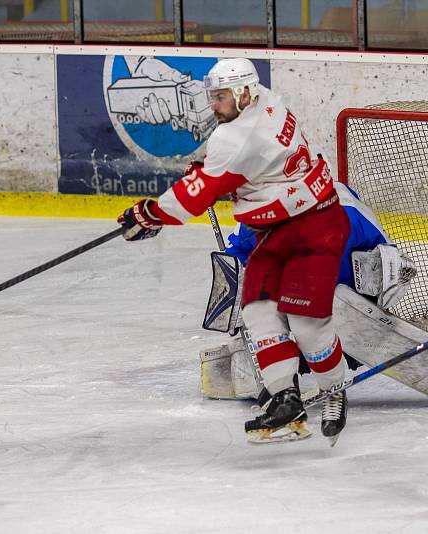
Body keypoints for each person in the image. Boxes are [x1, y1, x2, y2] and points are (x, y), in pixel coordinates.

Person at [117, 58, 351, 445]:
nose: (213, 106)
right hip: (275, 232)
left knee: (308, 328)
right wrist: (213, 171)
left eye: (221, 97)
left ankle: (335, 390)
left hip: (314, 231)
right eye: (212, 97)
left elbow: (201, 192)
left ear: (244, 92)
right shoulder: (268, 102)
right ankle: (286, 400)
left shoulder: (236, 137)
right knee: (258, 312)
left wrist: (149, 214)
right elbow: (245, 170)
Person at [199, 181, 428, 412]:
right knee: (241, 352)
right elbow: (239, 270)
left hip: (349, 298)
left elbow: (391, 268)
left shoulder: (342, 216)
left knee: (337, 308)